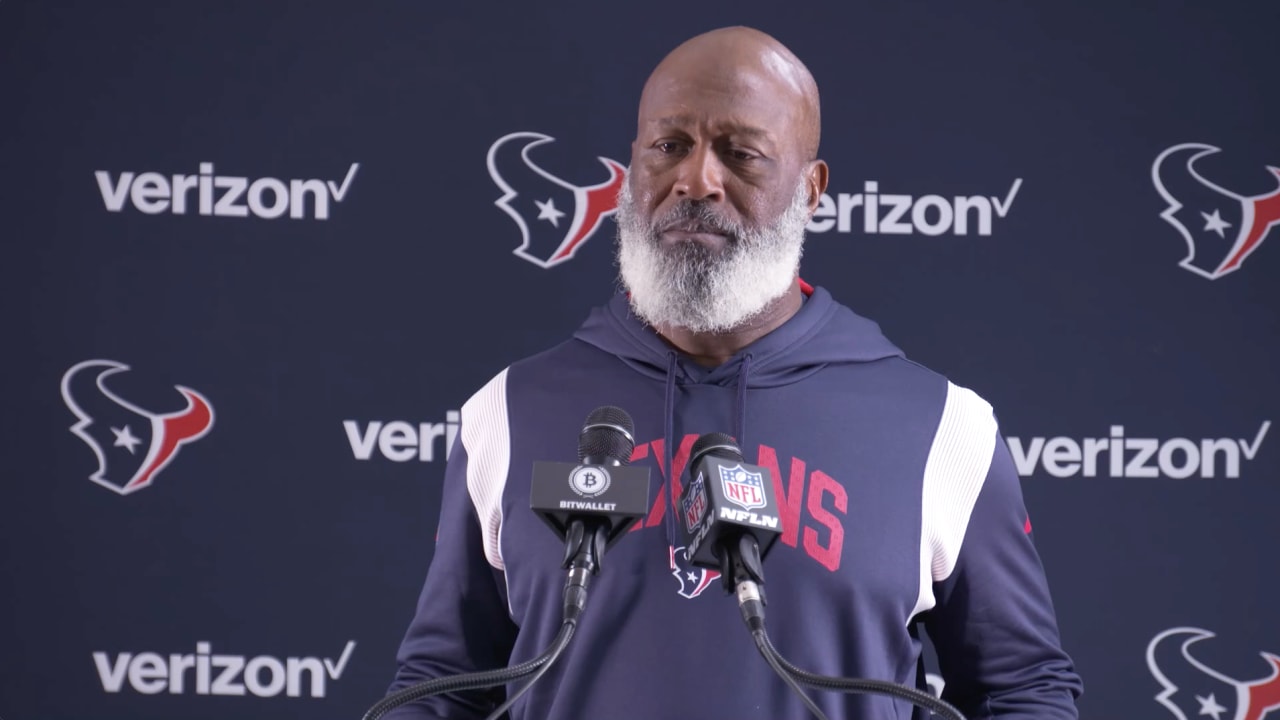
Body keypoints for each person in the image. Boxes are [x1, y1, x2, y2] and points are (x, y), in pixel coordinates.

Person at [381, 25, 1083, 720]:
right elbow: (446, 685)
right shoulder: (510, 409)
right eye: (669, 146)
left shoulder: (940, 425)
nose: (697, 180)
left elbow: (1019, 689)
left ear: (811, 189)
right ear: (632, 168)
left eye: (740, 153)